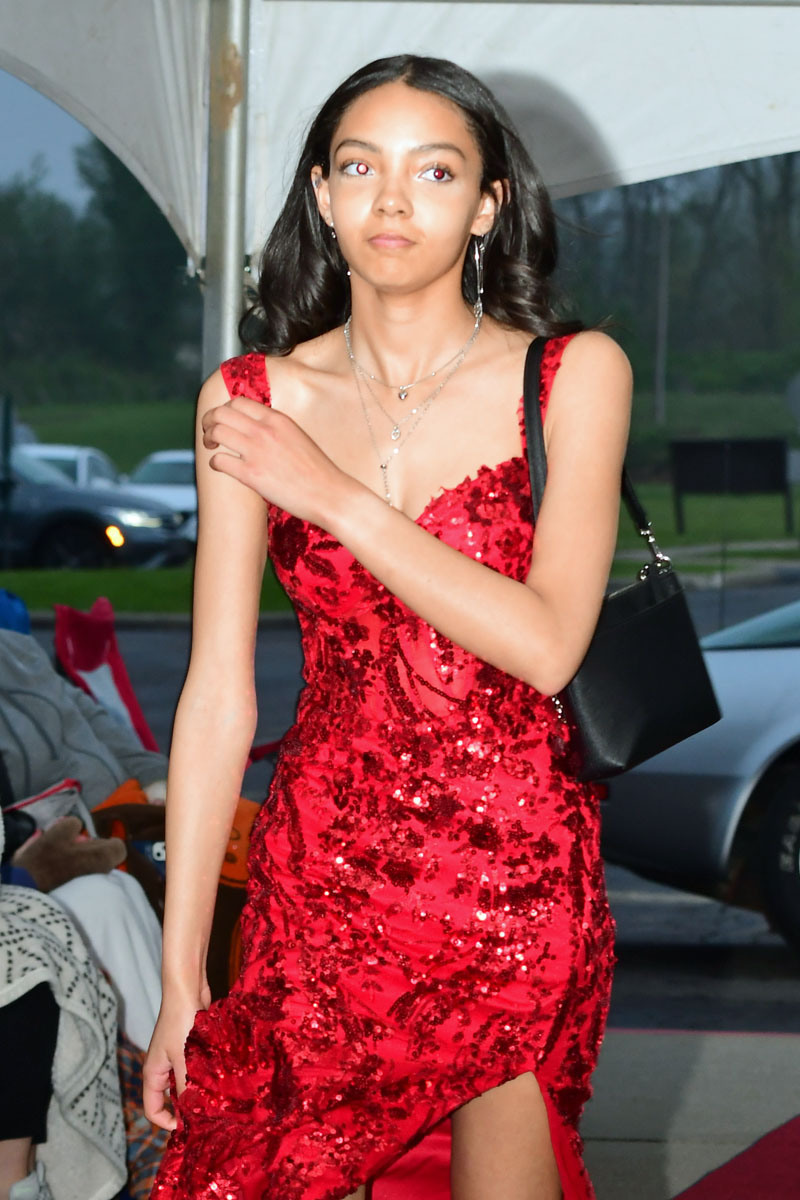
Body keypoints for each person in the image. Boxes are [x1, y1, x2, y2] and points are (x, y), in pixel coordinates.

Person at [144, 54, 631, 1200]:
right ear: (320, 194)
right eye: (359, 167)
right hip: (317, 883)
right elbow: (218, 692)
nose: (392, 201)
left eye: (435, 170)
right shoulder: (248, 398)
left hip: (510, 881)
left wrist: (332, 498)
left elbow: (547, 642)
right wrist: (177, 975)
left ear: (487, 204)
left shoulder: (572, 374)